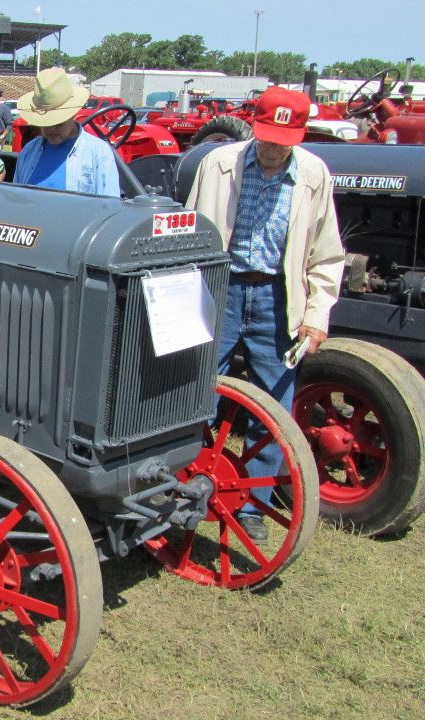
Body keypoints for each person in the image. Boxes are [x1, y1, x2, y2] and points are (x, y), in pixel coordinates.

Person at [186, 86, 344, 544]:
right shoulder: (219, 164)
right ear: (254, 128)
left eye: (285, 140)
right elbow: (192, 226)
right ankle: (183, 484)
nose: (274, 149)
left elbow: (327, 254)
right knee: (194, 389)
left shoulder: (314, 174)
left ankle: (254, 504)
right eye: (268, 137)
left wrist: (316, 316)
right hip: (220, 289)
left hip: (278, 297)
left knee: (273, 403)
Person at [13, 67, 121, 197]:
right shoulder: (29, 151)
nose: (51, 129)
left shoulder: (98, 153)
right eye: (45, 123)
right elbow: (17, 199)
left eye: (58, 122)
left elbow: (110, 206)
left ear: (72, 114)